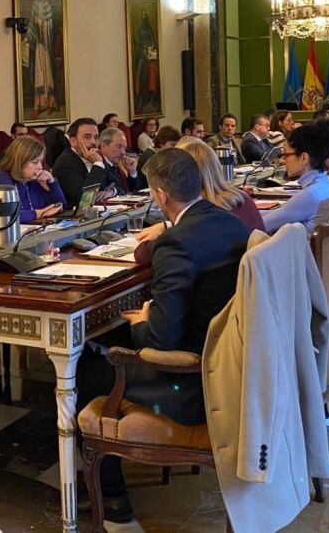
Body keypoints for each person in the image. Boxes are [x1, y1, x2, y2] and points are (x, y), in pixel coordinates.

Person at [75, 148, 248, 524]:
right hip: (232, 361)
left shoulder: (176, 243)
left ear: (159, 196)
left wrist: (143, 320)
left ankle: (111, 497)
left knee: (86, 368)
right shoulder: (232, 223)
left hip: (190, 381)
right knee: (110, 341)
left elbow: (159, 341)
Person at [135, 138, 261, 265]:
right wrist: (169, 225)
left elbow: (146, 254)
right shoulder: (242, 198)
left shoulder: (209, 218)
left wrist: (169, 229)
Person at [261, 122, 329, 234]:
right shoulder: (326, 183)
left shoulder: (309, 195)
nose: (282, 160)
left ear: (304, 158)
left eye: (285, 154)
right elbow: (280, 213)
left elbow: (261, 225)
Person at [0, 135, 65, 222]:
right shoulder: (0, 183)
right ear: (19, 161)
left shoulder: (32, 182)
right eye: (35, 162)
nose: (40, 167)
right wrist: (39, 213)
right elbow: (5, 216)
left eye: (41, 162)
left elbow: (60, 207)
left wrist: (52, 182)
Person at [52, 118, 116, 206]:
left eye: (96, 137)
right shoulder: (64, 164)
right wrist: (97, 164)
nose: (94, 142)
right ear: (73, 141)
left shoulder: (96, 156)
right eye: (87, 137)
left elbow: (118, 185)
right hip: (77, 217)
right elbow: (84, 200)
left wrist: (111, 192)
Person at [98, 126, 145, 193]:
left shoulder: (116, 164)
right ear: (104, 145)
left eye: (125, 148)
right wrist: (114, 191)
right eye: (119, 147)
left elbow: (132, 191)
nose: (123, 152)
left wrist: (132, 171)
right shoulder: (97, 164)